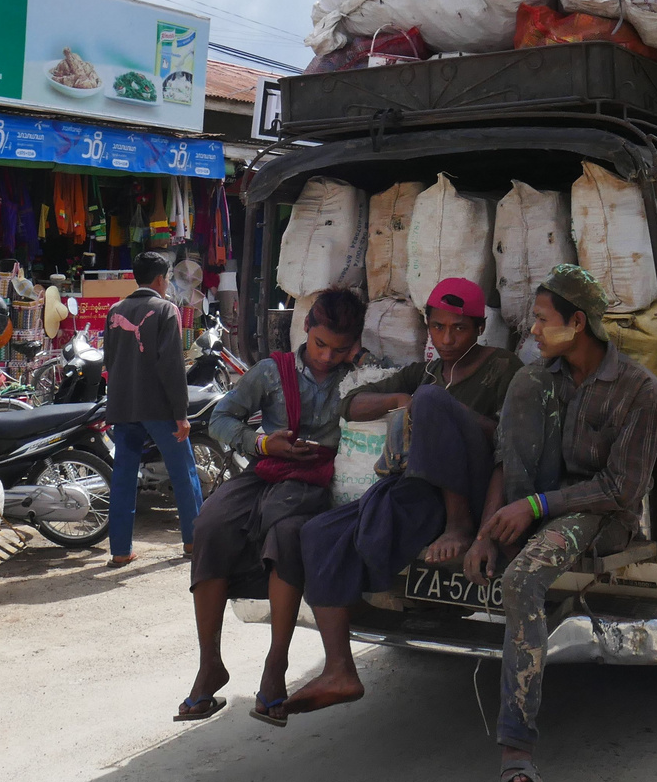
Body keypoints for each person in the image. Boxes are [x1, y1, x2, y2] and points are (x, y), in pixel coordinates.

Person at [462, 264, 657, 782]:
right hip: (540, 506)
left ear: (577, 323)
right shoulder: (535, 379)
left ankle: (516, 752)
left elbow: (621, 488)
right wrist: (487, 533)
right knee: (508, 565)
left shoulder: (638, 390)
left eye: (543, 319)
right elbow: (507, 460)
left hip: (598, 514)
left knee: (523, 580)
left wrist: (537, 506)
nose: (532, 329)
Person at [283, 278, 524, 716]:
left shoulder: (504, 367)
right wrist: (402, 399)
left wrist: (441, 412)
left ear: (479, 327)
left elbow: (512, 443)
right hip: (420, 489)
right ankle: (339, 669)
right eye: (437, 328)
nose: (447, 339)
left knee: (432, 402)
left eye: (459, 329)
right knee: (318, 533)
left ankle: (458, 527)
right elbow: (350, 404)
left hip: (471, 489)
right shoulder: (427, 373)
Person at [179, 288, 367, 725]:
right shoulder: (269, 372)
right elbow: (221, 419)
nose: (326, 357)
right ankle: (210, 665)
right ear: (306, 329)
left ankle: (275, 667)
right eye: (320, 344)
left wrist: (359, 365)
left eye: (339, 349)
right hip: (267, 470)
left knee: (286, 533)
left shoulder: (357, 376)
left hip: (316, 482)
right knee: (209, 524)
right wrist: (263, 442)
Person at [103, 251, 201, 568]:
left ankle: (120, 550)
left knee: (123, 478)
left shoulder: (115, 310)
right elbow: (172, 367)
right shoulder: (165, 310)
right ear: (161, 279)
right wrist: (181, 414)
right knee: (184, 473)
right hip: (158, 407)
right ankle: (193, 541)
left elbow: (109, 361)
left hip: (123, 406)